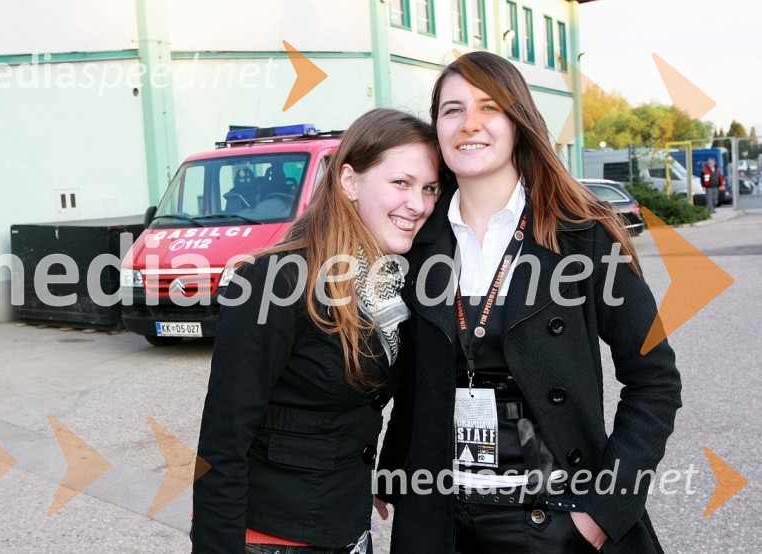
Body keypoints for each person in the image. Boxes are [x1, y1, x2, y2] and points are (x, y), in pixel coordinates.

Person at [374, 52, 682, 553]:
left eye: (488, 107)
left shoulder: (582, 235)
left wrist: (602, 513)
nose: (469, 124)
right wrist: (393, 467)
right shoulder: (413, 240)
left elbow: (655, 379)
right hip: (438, 521)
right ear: (437, 129)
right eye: (452, 109)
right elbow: (412, 374)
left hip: (556, 522)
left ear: (518, 121)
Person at [192, 108, 440, 553]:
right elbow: (222, 444)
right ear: (348, 181)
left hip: (345, 528)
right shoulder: (274, 282)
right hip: (272, 539)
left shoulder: (393, 284)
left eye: (429, 189)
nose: (418, 204)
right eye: (401, 183)